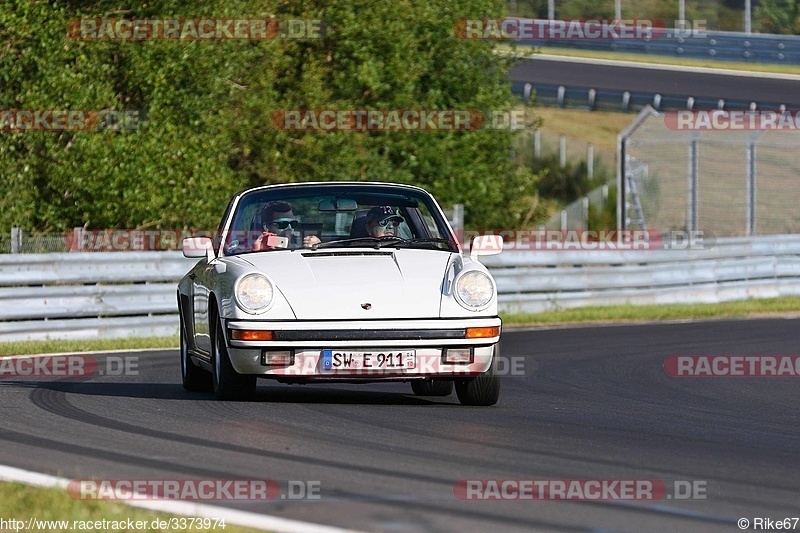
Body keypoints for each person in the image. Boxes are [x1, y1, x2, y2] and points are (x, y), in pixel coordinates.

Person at [253, 201, 321, 251]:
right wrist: (256, 252)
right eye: (283, 224)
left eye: (293, 224)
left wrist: (317, 247)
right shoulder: (256, 250)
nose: (289, 228)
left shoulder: (301, 248)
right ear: (267, 227)